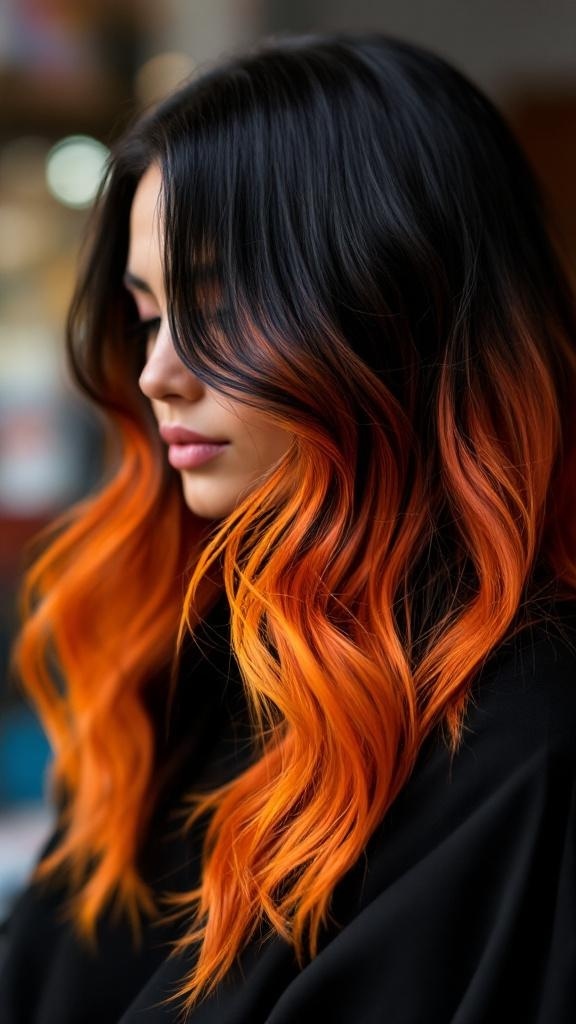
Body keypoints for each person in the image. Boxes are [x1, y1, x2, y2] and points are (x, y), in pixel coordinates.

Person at [1, 30, 575, 1024]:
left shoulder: (526, 744)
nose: (157, 372)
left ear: (396, 306)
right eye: (149, 316)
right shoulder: (184, 672)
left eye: (220, 305)